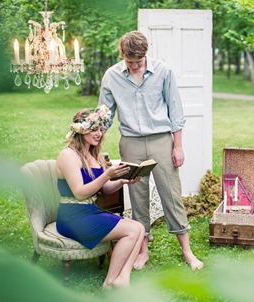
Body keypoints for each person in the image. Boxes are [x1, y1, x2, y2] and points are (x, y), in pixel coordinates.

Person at [98, 30, 203, 270]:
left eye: (139, 61)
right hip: (131, 142)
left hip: (161, 141)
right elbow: (105, 114)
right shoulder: (112, 76)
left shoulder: (163, 71)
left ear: (146, 55)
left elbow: (176, 112)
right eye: (130, 62)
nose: (134, 66)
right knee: (137, 197)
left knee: (172, 195)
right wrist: (94, 138)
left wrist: (178, 146)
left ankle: (187, 251)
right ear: (122, 55)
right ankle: (142, 251)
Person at [56, 104, 145, 289]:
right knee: (133, 230)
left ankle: (123, 278)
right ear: (81, 130)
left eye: (101, 129)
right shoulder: (68, 155)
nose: (99, 133)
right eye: (94, 129)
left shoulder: (92, 154)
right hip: (72, 217)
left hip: (89, 212)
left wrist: (123, 182)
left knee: (139, 228)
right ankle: (110, 281)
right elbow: (80, 193)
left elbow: (105, 189)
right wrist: (107, 174)